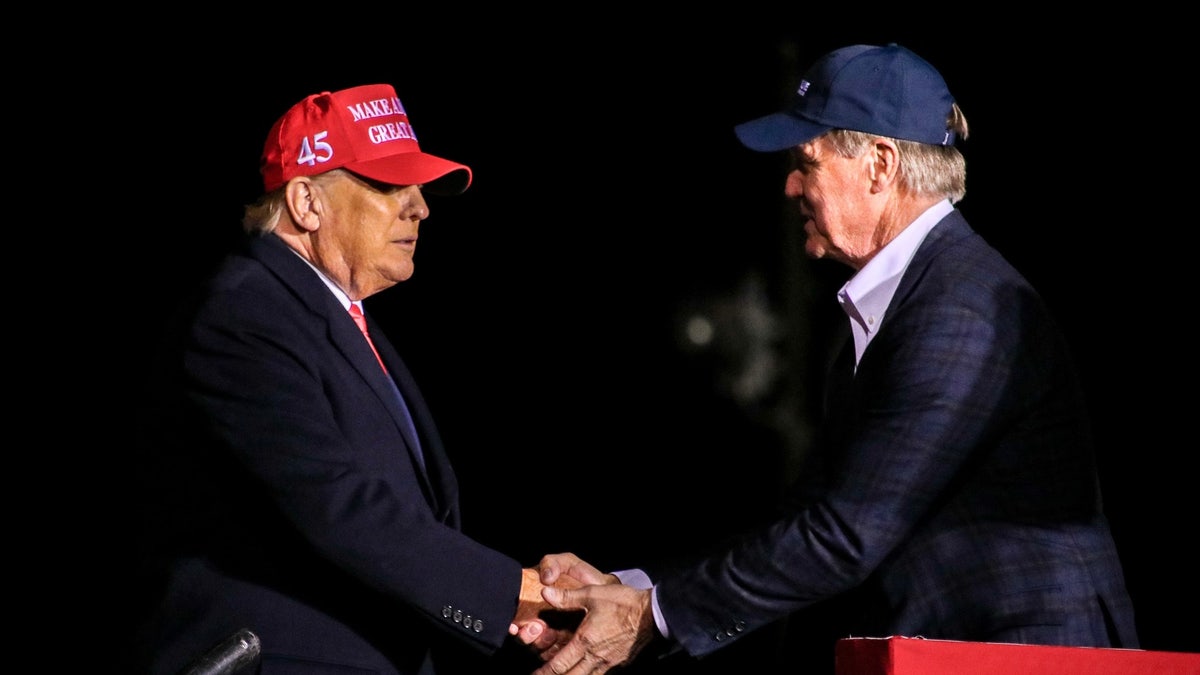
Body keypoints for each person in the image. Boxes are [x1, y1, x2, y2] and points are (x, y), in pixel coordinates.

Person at [515, 43, 1140, 674]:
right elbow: (810, 519)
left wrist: (651, 617)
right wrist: (631, 590)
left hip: (1021, 656)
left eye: (805, 162)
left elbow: (845, 538)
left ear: (880, 164)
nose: (790, 186)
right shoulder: (893, 305)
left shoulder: (959, 309)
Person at [130, 83, 578, 675]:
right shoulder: (243, 315)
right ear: (306, 204)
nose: (420, 208)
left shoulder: (330, 316)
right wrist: (514, 594)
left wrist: (505, 603)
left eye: (418, 190)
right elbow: (339, 506)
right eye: (393, 186)